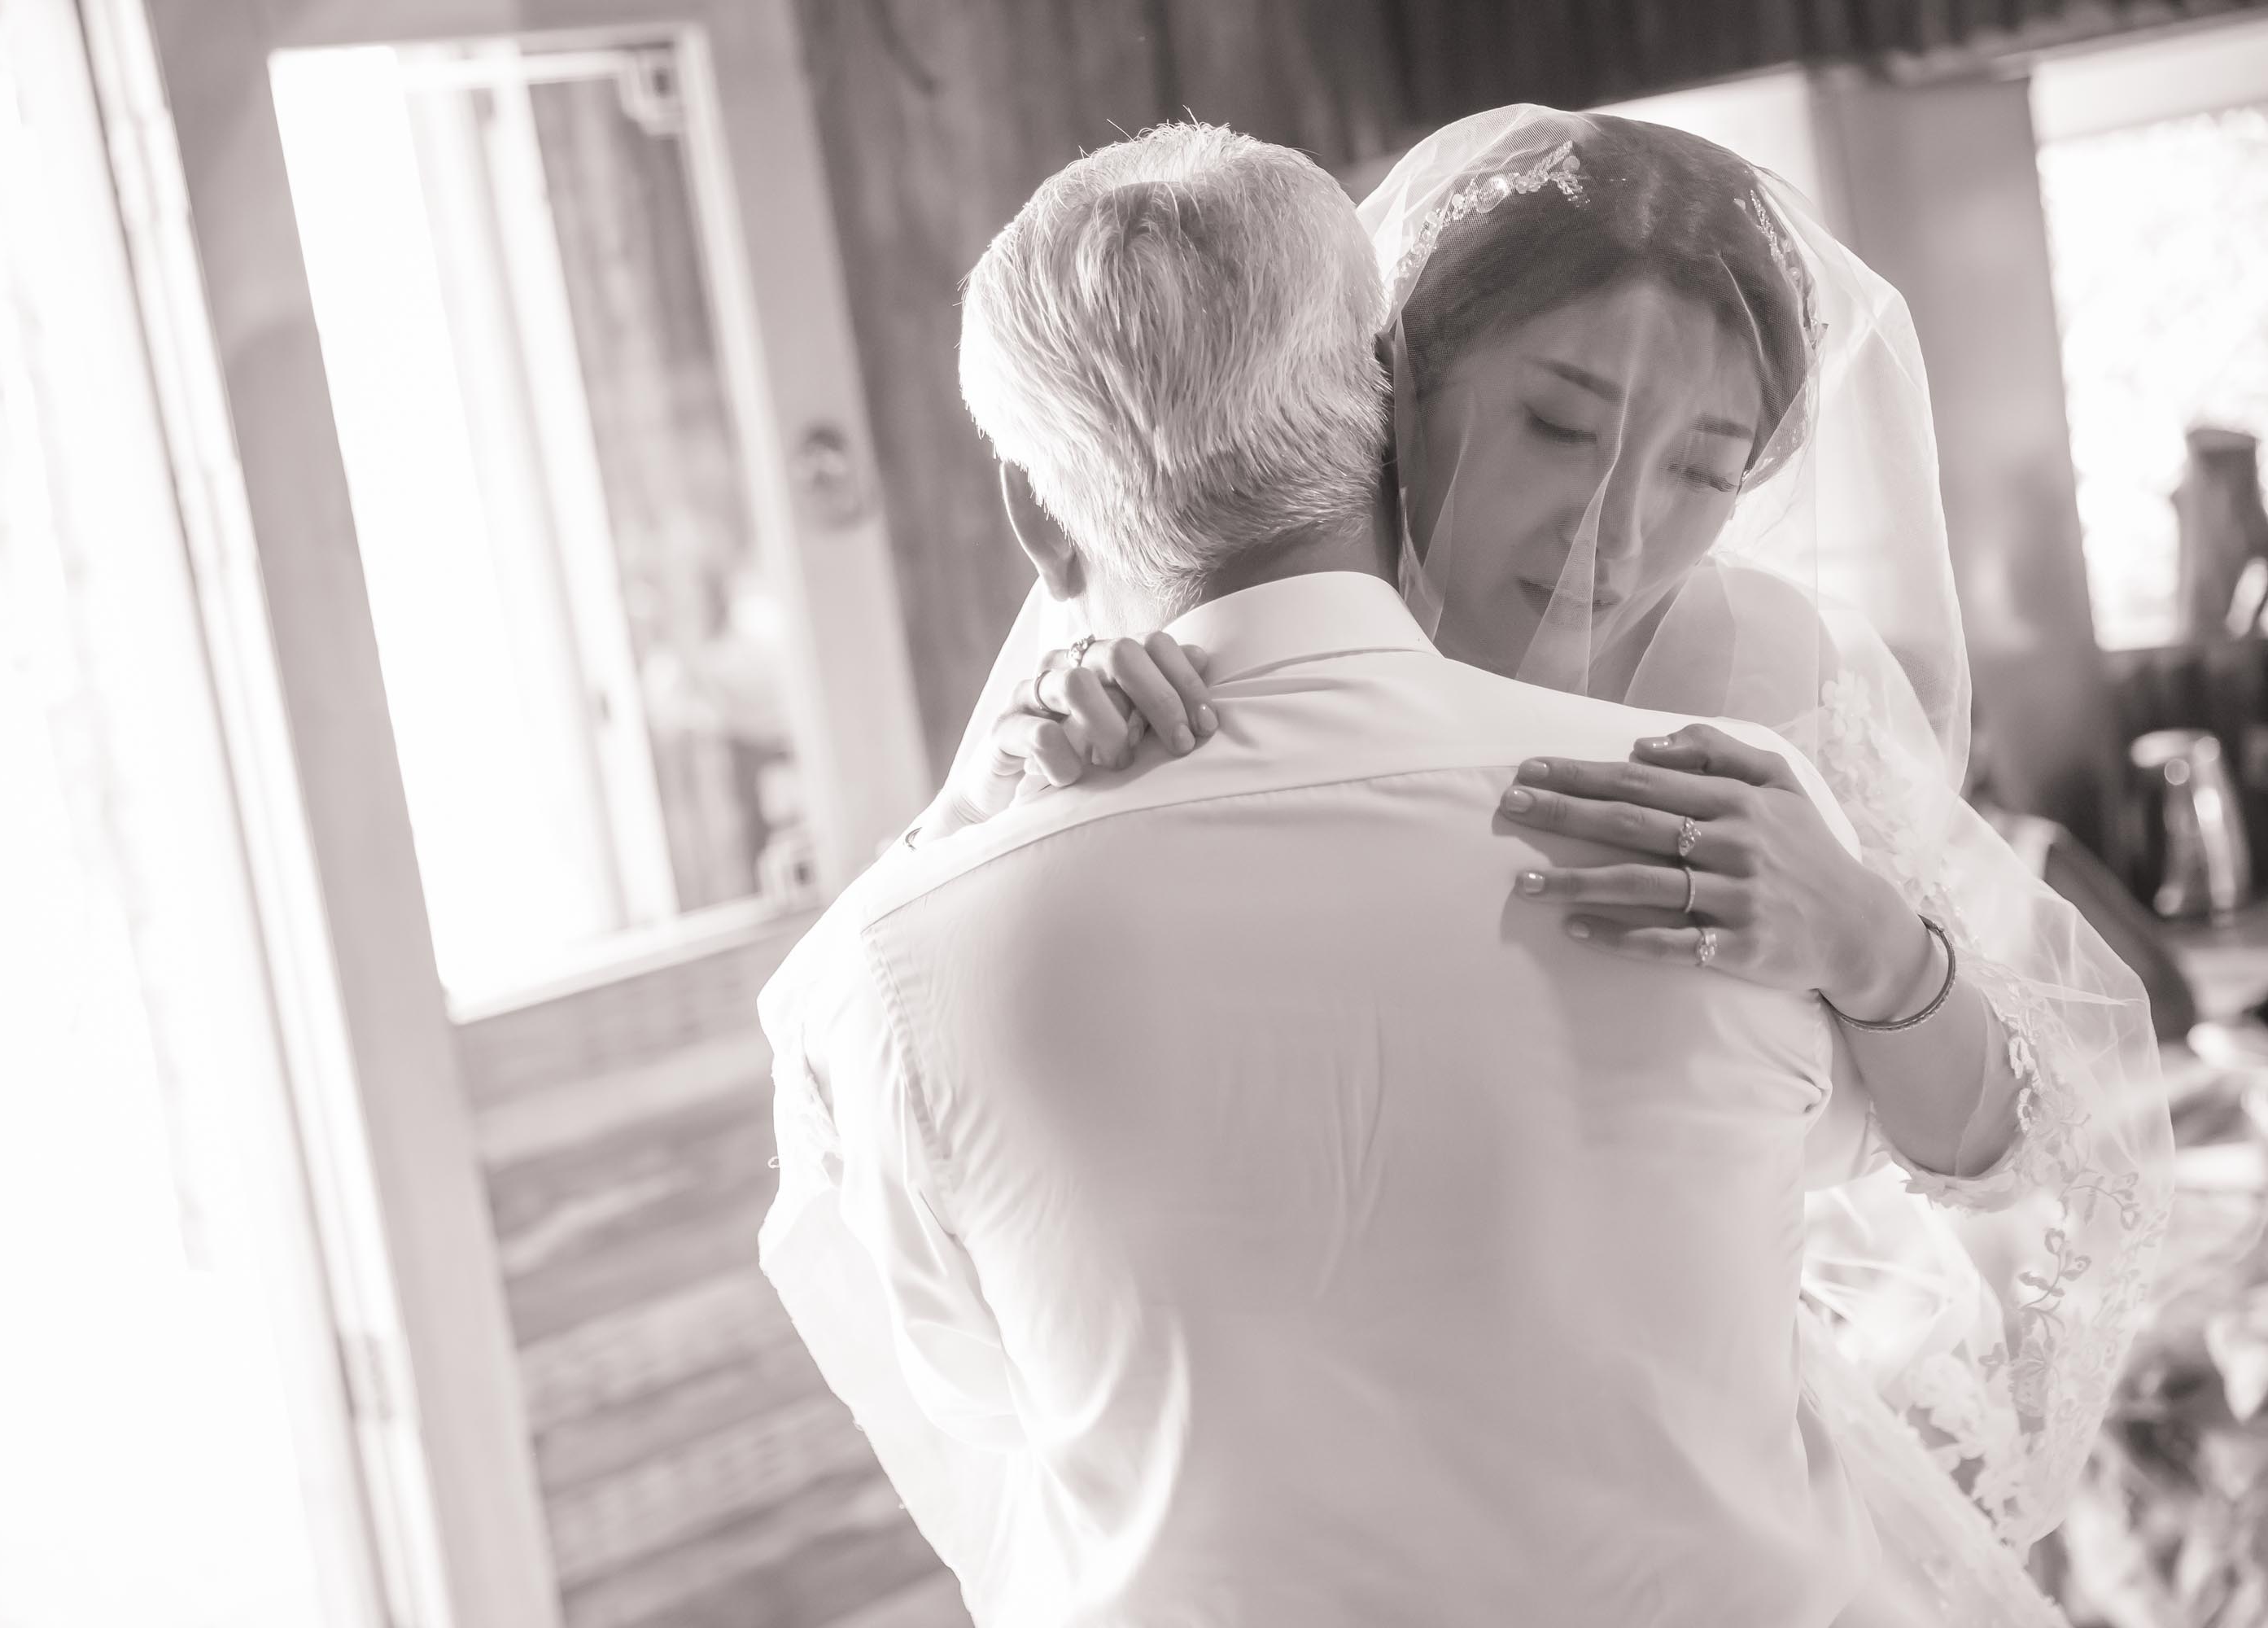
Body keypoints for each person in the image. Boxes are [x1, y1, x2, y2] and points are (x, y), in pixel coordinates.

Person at [918, 109, 2176, 1623]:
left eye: (1705, 469)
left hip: (1679, 1465)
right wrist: (1044, 767)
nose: (1615, 532)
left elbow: (2018, 1157)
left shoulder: (1764, 670)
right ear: (1394, 387)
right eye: (1562, 430)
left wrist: (1870, 942)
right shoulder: (1194, 639)